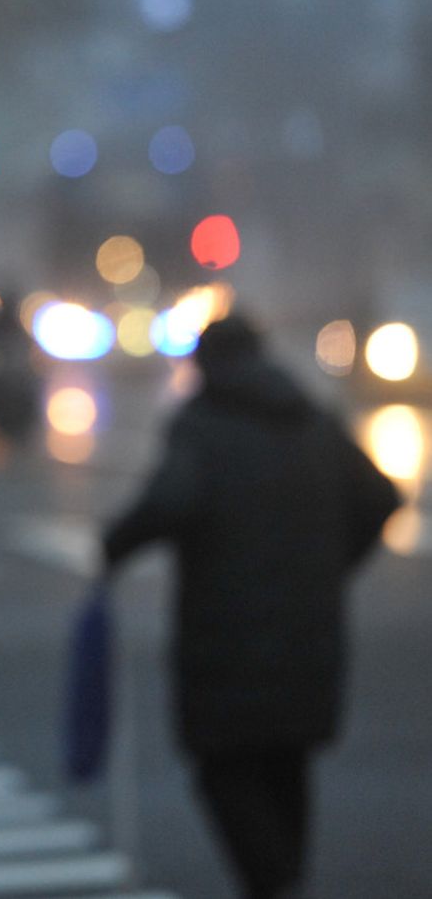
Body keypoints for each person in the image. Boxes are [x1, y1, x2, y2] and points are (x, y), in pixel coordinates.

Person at [102, 314, 400, 899]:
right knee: (287, 763)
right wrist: (334, 565)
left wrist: (115, 545)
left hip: (225, 642)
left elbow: (167, 502)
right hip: (310, 633)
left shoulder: (202, 426)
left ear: (205, 363)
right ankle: (284, 878)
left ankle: (276, 883)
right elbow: (381, 496)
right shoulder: (313, 419)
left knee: (224, 768)